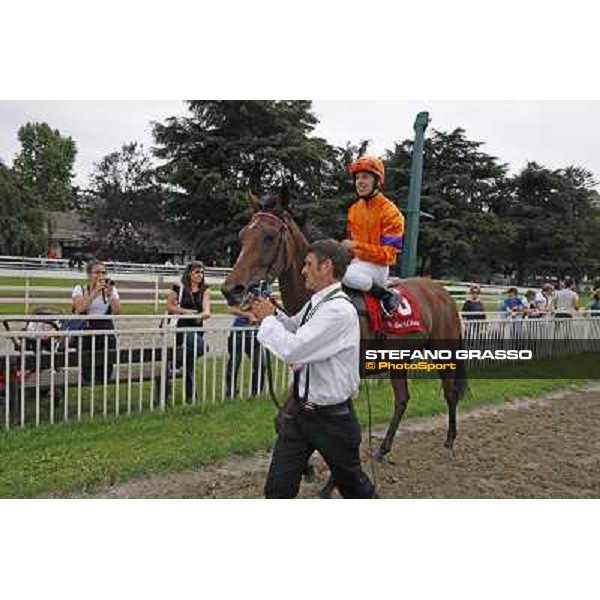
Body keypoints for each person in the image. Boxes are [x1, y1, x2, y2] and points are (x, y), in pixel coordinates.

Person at [251, 239, 377, 499]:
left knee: (356, 490)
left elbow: (294, 349)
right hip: (299, 414)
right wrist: (272, 312)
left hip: (333, 420)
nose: (303, 270)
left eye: (308, 264)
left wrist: (266, 320)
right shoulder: (317, 303)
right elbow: (295, 328)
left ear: (326, 267)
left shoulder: (339, 311)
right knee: (277, 489)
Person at [341, 156, 405, 317]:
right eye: (357, 178)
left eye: (365, 177)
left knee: (341, 273)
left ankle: (386, 294)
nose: (359, 182)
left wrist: (355, 246)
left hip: (378, 267)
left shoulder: (391, 212)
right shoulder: (354, 209)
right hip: (356, 264)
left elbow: (389, 255)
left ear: (377, 181)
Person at [159, 261, 211, 403]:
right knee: (199, 351)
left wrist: (204, 314)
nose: (199, 275)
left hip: (197, 328)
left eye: (201, 272)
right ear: (189, 273)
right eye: (196, 272)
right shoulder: (178, 287)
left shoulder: (205, 289)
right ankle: (191, 396)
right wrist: (187, 312)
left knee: (190, 362)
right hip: (182, 328)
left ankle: (176, 364)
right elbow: (169, 306)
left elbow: (206, 308)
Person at [71, 260, 121, 383]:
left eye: (103, 272)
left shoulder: (110, 290)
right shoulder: (80, 289)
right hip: (86, 330)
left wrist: (110, 296)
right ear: (89, 275)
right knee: (87, 369)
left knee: (105, 367)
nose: (101, 275)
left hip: (106, 330)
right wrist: (95, 292)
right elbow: (79, 309)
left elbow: (118, 311)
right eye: (97, 272)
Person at [225, 306, 264, 399]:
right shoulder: (239, 293)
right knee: (234, 364)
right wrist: (248, 315)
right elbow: (230, 309)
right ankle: (231, 392)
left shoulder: (265, 292)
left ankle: (256, 393)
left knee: (261, 364)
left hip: (255, 334)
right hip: (238, 333)